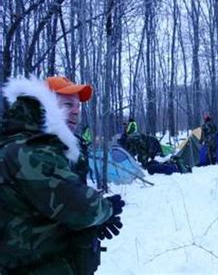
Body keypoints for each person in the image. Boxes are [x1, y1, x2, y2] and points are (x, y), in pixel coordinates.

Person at [0, 76, 125, 274]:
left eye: (78, 106)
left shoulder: (42, 146)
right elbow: (82, 207)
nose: (76, 111)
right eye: (67, 104)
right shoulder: (31, 151)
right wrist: (104, 210)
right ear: (44, 103)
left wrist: (89, 225)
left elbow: (52, 206)